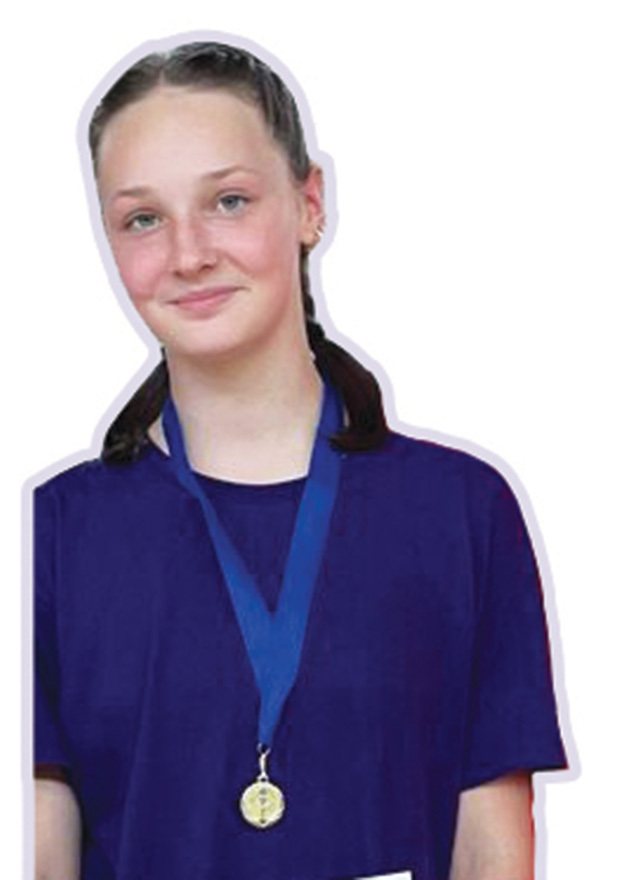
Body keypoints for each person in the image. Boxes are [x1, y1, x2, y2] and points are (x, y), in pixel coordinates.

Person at [33, 40, 567, 880]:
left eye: (229, 201)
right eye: (142, 219)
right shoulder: (47, 538)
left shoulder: (462, 512)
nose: (188, 253)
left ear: (309, 203)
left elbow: (491, 852)